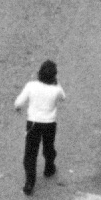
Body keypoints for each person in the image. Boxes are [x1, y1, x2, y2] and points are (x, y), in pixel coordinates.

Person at [14, 59, 65, 193]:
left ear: (39, 73)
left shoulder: (31, 86)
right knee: (48, 147)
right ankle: (49, 167)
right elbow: (63, 97)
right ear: (54, 76)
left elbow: (18, 103)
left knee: (30, 153)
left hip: (33, 123)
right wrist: (57, 82)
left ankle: (30, 182)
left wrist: (18, 107)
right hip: (49, 123)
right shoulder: (56, 89)